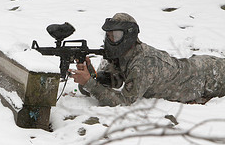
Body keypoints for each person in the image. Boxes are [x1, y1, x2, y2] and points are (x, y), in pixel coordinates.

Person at [69, 13, 225, 107]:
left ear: (129, 36)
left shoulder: (142, 63)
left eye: (115, 36)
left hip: (208, 76)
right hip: (198, 69)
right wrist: (89, 74)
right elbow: (112, 82)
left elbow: (123, 102)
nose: (111, 39)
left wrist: (89, 82)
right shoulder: (123, 55)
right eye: (109, 35)